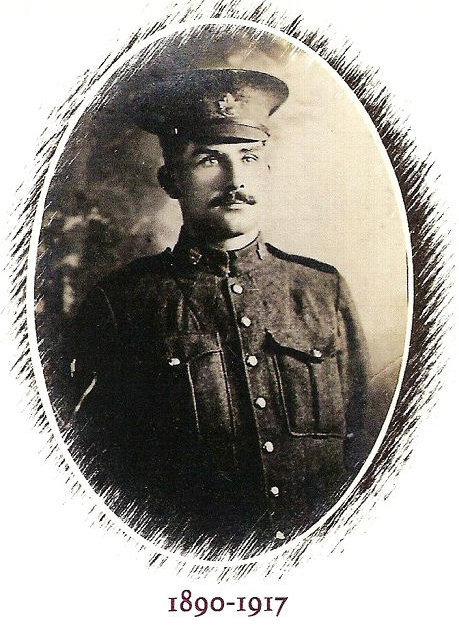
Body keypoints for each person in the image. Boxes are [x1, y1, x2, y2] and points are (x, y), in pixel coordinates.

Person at [68, 68, 369, 549]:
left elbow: (364, 446)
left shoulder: (321, 290)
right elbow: (94, 473)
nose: (235, 180)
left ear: (266, 170)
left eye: (249, 158)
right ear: (170, 180)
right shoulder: (123, 303)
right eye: (209, 159)